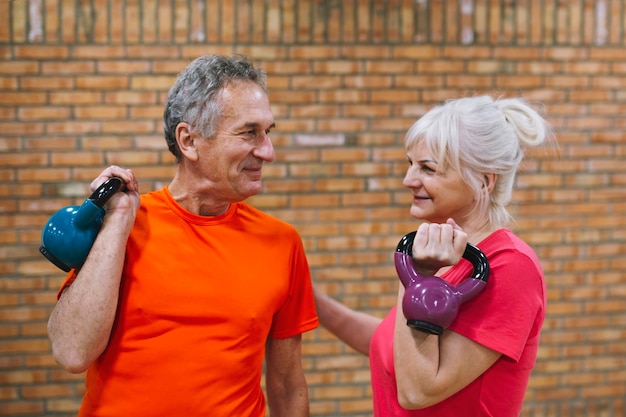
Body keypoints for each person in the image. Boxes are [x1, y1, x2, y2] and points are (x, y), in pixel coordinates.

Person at [47, 54, 319, 417]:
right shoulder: (123, 225)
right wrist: (117, 222)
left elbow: (287, 385)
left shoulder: (282, 242)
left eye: (268, 132)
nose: (267, 151)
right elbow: (72, 351)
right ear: (189, 141)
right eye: (249, 132)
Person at [314, 95, 554, 416]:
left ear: (483, 180)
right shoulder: (444, 258)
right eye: (410, 163)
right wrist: (311, 300)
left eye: (427, 168)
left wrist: (415, 277)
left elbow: (418, 391)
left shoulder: (509, 267)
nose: (408, 180)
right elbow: (395, 345)